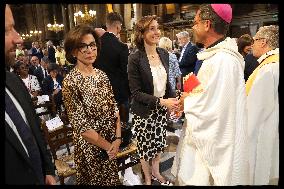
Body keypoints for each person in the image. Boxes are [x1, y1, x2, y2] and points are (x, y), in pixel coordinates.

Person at [173, 4, 249, 185]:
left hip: (211, 148)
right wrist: (188, 95)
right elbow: (205, 89)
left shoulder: (224, 60)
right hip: (202, 137)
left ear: (207, 24)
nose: (193, 27)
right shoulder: (214, 55)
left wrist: (187, 102)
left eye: (195, 22)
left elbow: (214, 109)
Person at [62, 24, 121, 185]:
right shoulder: (70, 82)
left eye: (93, 45)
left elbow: (114, 110)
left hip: (110, 145)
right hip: (91, 150)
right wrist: (109, 146)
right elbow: (82, 128)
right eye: (83, 46)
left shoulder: (102, 75)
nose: (90, 50)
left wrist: (117, 138)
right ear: (73, 51)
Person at [5, 4, 56, 185]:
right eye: (6, 30)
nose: (18, 38)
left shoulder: (13, 81)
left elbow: (34, 129)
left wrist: (47, 169)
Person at [128, 15, 179, 185]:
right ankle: (148, 178)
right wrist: (163, 102)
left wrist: (174, 101)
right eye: (151, 29)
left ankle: (156, 172)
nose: (157, 32)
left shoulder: (164, 53)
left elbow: (168, 84)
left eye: (157, 28)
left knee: (158, 144)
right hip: (143, 111)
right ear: (142, 33)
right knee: (144, 149)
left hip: (160, 111)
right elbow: (135, 93)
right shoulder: (135, 58)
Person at [246, 25, 279, 185]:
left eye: (254, 40)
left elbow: (255, 112)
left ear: (264, 42)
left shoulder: (268, 69)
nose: (252, 44)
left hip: (263, 132)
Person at [94, 12, 130, 140]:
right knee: (121, 129)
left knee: (106, 128)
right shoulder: (121, 47)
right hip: (119, 95)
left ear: (107, 24)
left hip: (99, 92)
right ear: (118, 27)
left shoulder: (95, 45)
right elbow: (126, 73)